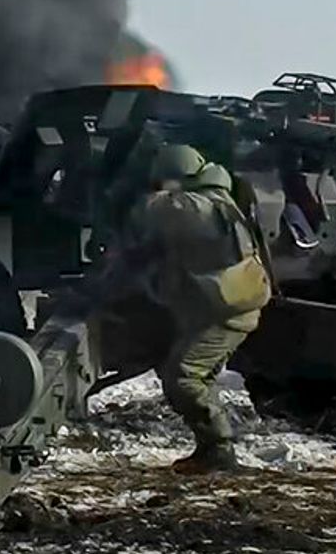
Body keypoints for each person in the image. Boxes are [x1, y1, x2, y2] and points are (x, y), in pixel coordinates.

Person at [91, 144, 272, 473]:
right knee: (192, 375)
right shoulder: (218, 197)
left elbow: (148, 211)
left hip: (226, 314)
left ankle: (219, 450)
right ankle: (213, 443)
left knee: (183, 378)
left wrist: (129, 189)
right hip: (225, 305)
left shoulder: (194, 207)